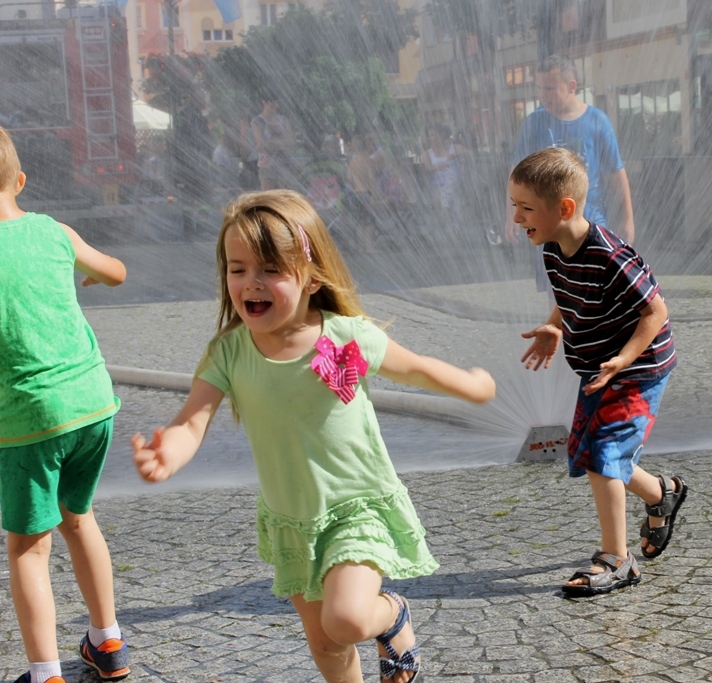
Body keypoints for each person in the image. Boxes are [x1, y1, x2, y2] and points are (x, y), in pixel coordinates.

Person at [131, 189, 496, 683]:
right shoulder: (229, 351)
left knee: (346, 620)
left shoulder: (345, 335)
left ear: (312, 277)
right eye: (237, 269)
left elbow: (416, 369)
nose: (250, 283)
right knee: (325, 643)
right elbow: (192, 421)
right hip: (293, 519)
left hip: (356, 507)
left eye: (269, 270)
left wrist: (472, 386)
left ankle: (392, 615)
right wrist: (167, 454)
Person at [511, 147, 685, 597]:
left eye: (525, 208)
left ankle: (617, 559)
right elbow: (570, 295)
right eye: (515, 206)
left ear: (564, 208)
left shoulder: (608, 255)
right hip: (599, 368)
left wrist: (625, 359)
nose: (516, 217)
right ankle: (661, 493)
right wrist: (554, 325)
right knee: (587, 451)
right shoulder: (553, 248)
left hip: (639, 367)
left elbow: (655, 311)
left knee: (605, 453)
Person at [0, 126, 130, 683]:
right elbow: (116, 272)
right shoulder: (54, 232)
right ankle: (108, 644)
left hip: (30, 419)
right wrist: (87, 275)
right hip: (92, 404)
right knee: (79, 519)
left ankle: (45, 672)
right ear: (20, 181)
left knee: (28, 549)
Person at [505, 56, 636, 293]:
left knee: (593, 289)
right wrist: (512, 214)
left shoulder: (597, 121)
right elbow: (517, 174)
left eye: (550, 88)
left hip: (590, 222)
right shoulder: (534, 123)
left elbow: (615, 174)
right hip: (547, 223)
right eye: (539, 88)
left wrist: (628, 219)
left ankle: (588, 329)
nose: (543, 95)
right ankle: (560, 330)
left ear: (572, 86)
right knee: (557, 292)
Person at [421, 123, 467, 236]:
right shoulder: (427, 154)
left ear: (442, 135)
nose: (433, 138)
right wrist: (436, 168)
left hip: (456, 187)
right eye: (431, 135)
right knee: (455, 201)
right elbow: (424, 170)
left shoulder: (454, 149)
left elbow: (472, 154)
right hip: (437, 189)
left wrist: (458, 157)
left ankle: (445, 208)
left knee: (452, 185)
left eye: (435, 134)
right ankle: (457, 234)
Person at [251, 93, 295, 191]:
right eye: (273, 102)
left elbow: (291, 142)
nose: (276, 105)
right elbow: (261, 144)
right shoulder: (258, 121)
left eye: (277, 102)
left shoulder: (284, 120)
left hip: (284, 163)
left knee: (283, 197)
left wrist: (270, 143)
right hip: (266, 165)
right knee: (268, 198)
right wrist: (282, 143)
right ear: (264, 102)